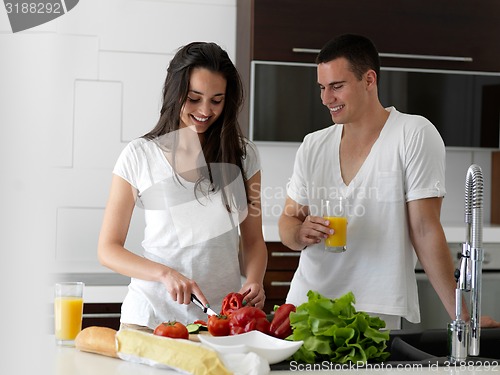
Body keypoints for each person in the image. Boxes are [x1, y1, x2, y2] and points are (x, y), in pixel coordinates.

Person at [278, 34, 500, 330]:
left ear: (369, 80)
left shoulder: (413, 134)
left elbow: (424, 229)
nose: (325, 98)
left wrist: (463, 317)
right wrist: (299, 233)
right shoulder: (313, 145)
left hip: (376, 309)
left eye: (337, 86)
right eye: (322, 87)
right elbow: (288, 221)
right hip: (307, 305)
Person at [98, 42, 267, 331]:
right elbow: (108, 249)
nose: (205, 110)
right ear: (175, 93)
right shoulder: (140, 154)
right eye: (194, 98)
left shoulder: (243, 155)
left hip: (219, 321)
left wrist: (254, 279)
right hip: (150, 318)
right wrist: (164, 273)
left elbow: (252, 242)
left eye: (217, 100)